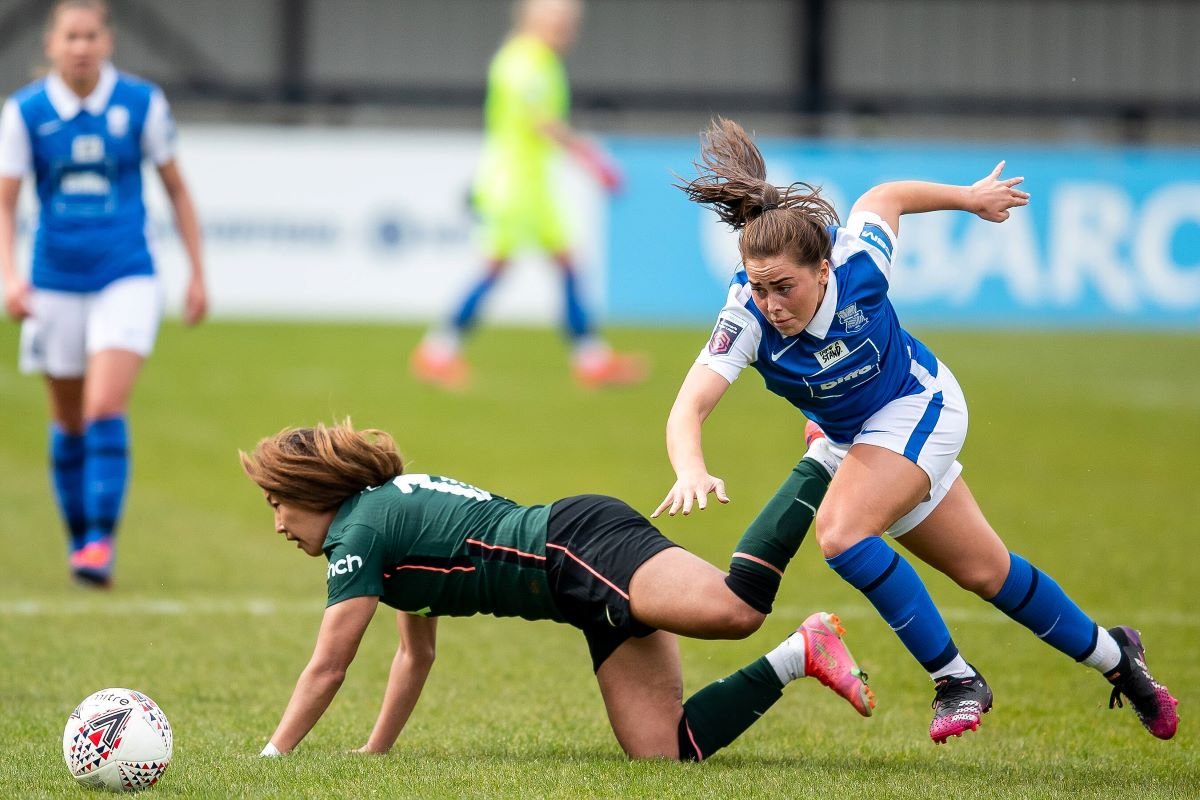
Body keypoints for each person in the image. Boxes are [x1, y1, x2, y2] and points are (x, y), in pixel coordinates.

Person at [655, 117, 1178, 744]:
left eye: (784, 287)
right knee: (988, 573)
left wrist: (970, 198)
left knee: (843, 533)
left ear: (823, 268)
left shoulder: (857, 264)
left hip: (919, 404)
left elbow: (885, 197)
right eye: (760, 287)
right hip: (864, 439)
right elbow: (689, 408)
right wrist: (690, 466)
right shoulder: (744, 317)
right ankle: (1120, 658)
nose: (771, 302)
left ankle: (955, 679)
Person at [240, 420, 876, 760]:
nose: (278, 525)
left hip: (576, 544)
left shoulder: (360, 530)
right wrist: (374, 753)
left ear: (313, 492)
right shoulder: (379, 521)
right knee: (664, 754)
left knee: (736, 610)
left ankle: (821, 456)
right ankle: (803, 652)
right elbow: (416, 654)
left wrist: (273, 759)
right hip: (578, 591)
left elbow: (329, 666)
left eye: (279, 504)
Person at [0, 0, 207, 587]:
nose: (82, 46)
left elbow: (178, 191)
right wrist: (11, 279)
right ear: (51, 44)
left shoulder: (142, 103)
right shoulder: (25, 112)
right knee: (66, 420)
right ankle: (79, 539)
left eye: (92, 35)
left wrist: (196, 272)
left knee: (102, 408)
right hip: (54, 280)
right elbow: (6, 201)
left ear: (108, 41)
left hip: (126, 273)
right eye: (71, 36)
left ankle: (100, 542)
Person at [410, 0, 645, 391]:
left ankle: (591, 359)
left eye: (570, 21)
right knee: (499, 267)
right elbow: (543, 123)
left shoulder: (540, 61)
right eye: (558, 20)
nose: (566, 28)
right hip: (513, 187)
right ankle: (436, 352)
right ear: (531, 19)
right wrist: (593, 161)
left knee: (564, 264)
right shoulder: (522, 62)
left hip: (533, 186)